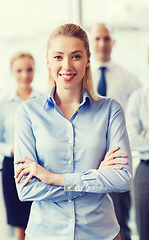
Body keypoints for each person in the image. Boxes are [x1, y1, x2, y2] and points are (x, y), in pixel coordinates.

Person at [14, 23, 132, 240]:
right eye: (58, 57)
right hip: (45, 233)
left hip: (101, 233)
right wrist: (95, 178)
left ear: (88, 60)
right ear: (48, 63)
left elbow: (122, 178)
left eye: (75, 56)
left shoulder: (110, 110)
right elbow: (26, 190)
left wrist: (52, 178)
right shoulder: (28, 113)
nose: (67, 65)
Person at [90, 23, 141, 240]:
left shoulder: (129, 79)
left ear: (113, 42)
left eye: (107, 38)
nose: (102, 43)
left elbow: (143, 111)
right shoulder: (79, 77)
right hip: (88, 159)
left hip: (118, 160)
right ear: (91, 43)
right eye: (98, 39)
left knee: (120, 224)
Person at [0, 52, 42, 240]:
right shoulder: (2, 105)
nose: (24, 75)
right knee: (20, 228)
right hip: (13, 169)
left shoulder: (44, 100)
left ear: (35, 70)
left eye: (29, 69)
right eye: (19, 70)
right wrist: (11, 149)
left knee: (42, 223)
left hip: (40, 166)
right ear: (12, 73)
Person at [126, 87, 149, 240]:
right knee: (145, 228)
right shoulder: (139, 97)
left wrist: (145, 134)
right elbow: (132, 139)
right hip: (146, 168)